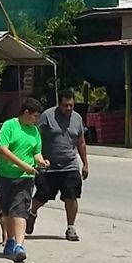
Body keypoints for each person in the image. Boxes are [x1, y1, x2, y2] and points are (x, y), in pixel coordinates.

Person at [0, 96, 48, 263]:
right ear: (26, 112)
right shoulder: (10, 126)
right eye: (35, 116)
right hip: (5, 175)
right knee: (8, 210)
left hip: (25, 177)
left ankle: (19, 245)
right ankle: (10, 240)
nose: (37, 119)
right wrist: (22, 164)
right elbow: (2, 149)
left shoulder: (35, 131)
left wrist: (41, 161)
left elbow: (36, 152)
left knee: (20, 210)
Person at [31, 92, 89, 241]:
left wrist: (85, 164)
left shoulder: (77, 118)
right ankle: (31, 214)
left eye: (71, 105)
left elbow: (81, 142)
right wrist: (36, 158)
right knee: (43, 194)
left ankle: (71, 227)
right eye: (65, 106)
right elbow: (35, 136)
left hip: (70, 165)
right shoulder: (47, 116)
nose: (69, 108)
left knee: (71, 195)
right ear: (59, 104)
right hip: (48, 165)